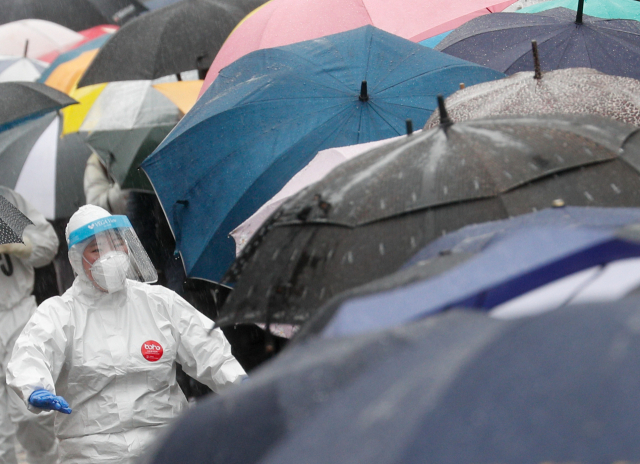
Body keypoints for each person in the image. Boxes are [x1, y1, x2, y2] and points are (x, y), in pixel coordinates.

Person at [7, 205, 246, 464]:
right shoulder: (59, 313)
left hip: (163, 442)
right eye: (97, 250)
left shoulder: (159, 303)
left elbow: (208, 349)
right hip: (90, 451)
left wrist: (239, 382)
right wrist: (34, 386)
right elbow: (32, 352)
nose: (110, 256)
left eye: (117, 244)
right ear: (77, 260)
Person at [0, 186, 59, 464]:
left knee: (32, 412)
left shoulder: (3, 203)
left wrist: (15, 244)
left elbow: (47, 245)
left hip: (18, 314)